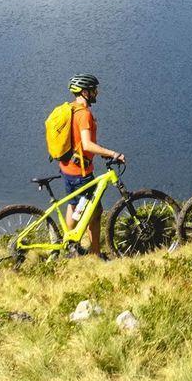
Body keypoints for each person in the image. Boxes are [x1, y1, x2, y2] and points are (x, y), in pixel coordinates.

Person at [58, 73, 125, 254]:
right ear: (85, 92)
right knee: (95, 213)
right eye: (94, 89)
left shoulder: (71, 108)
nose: (97, 92)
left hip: (68, 167)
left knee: (74, 205)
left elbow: (79, 142)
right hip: (80, 172)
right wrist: (112, 153)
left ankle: (69, 243)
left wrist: (98, 153)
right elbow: (87, 144)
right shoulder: (85, 114)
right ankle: (95, 254)